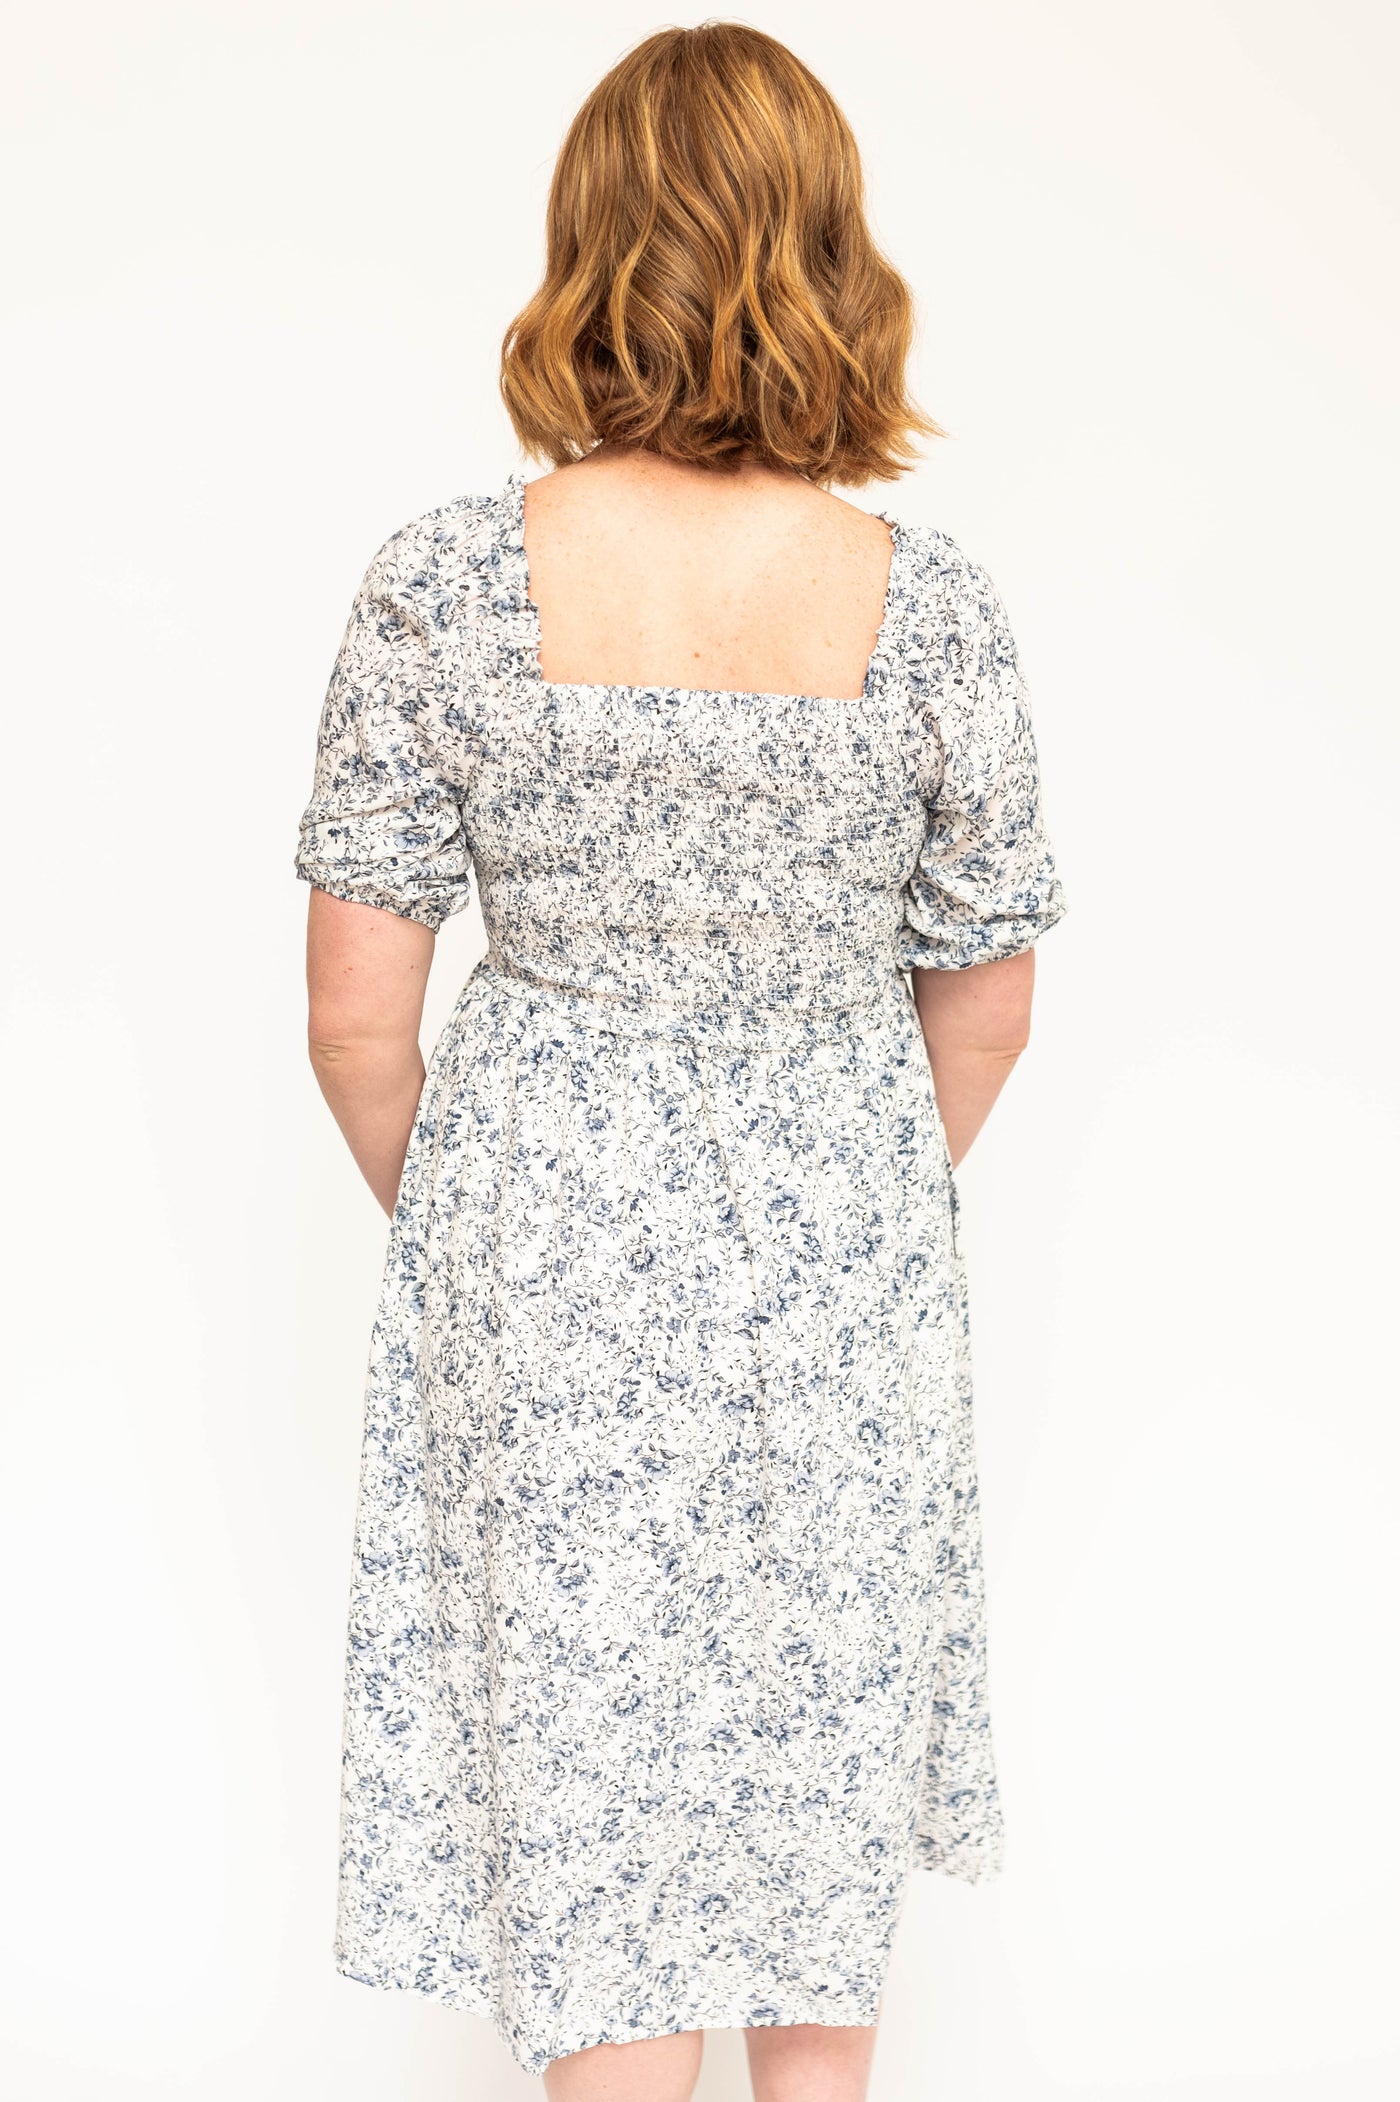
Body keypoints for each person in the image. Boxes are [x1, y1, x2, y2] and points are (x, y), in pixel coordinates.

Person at [294, 22, 1066, 2101]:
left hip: (540, 1244)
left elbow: (357, 1012)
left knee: (599, 1841)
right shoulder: (933, 613)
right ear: (831, 259)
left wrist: (492, 1213)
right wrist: (847, 1186)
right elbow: (981, 1002)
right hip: (842, 1255)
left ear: (584, 258)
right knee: (812, 1845)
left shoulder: (443, 584)